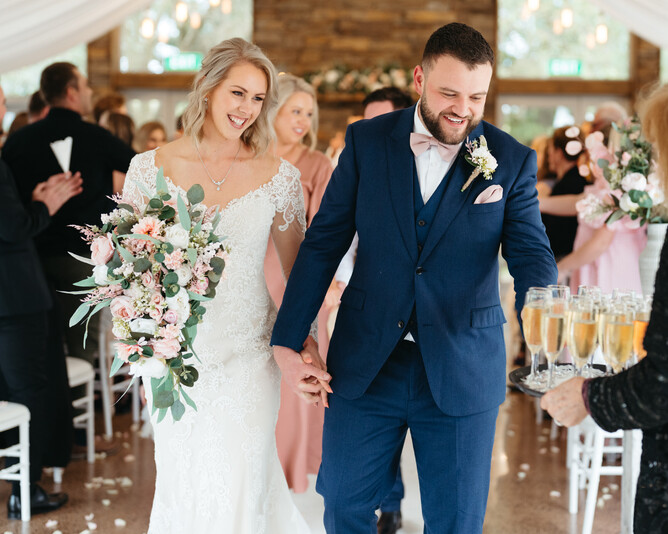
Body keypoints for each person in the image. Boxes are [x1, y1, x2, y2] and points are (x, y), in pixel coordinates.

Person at [271, 22, 557, 533]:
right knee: (343, 507)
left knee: (455, 523)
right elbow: (324, 242)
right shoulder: (366, 141)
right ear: (420, 79)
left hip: (463, 364)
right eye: (449, 92)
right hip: (365, 364)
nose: (462, 109)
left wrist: (546, 329)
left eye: (476, 96)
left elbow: (531, 253)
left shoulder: (510, 160)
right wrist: (289, 343)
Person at [121, 37, 319, 533]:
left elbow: (299, 275)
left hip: (250, 358)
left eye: (258, 99)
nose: (247, 109)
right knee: (182, 480)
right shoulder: (148, 170)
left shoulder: (280, 178)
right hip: (174, 359)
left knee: (245, 479)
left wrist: (306, 342)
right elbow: (133, 275)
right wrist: (146, 351)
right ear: (208, 88)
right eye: (238, 93)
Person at [542, 84, 668, 534]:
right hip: (591, 280)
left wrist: (560, 267)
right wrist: (534, 198)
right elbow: (580, 206)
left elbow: (601, 238)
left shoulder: (630, 185)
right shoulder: (607, 179)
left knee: (607, 357)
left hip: (610, 283)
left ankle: (604, 434)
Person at [1, 62, 135, 371]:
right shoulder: (97, 137)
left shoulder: (19, 141)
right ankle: (76, 409)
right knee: (80, 348)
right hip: (84, 262)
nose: (90, 92)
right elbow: (140, 164)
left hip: (32, 258)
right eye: (86, 85)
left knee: (39, 346)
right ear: (72, 92)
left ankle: (46, 408)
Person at [332, 85, 413, 534]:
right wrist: (340, 283)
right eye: (368, 121)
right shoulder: (361, 160)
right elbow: (342, 235)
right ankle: (368, 496)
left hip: (417, 329)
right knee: (364, 429)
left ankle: (393, 500)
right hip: (360, 314)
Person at [0, 157, 83, 519]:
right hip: (12, 298)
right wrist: (42, 206)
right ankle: (24, 491)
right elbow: (12, 227)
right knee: (28, 391)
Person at [265, 73, 333, 493]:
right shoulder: (250, 158)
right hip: (252, 280)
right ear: (274, 111)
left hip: (300, 282)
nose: (303, 120)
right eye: (295, 111)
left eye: (309, 113)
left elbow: (327, 235)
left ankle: (289, 470)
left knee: (295, 380)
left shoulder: (318, 165)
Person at [539, 126, 588, 260]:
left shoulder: (569, 185)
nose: (548, 157)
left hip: (563, 258)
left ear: (559, 153)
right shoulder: (567, 181)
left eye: (549, 151)